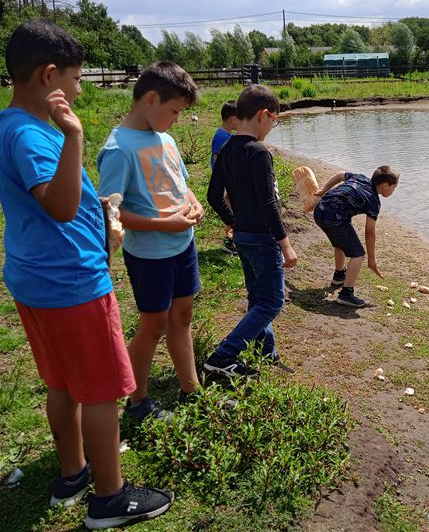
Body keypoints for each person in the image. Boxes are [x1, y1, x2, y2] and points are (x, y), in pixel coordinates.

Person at [0, 19, 173, 529]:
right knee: (100, 390)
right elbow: (60, 206)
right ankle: (110, 499)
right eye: (75, 79)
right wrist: (74, 135)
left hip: (37, 280)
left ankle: (73, 473)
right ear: (48, 76)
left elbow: (59, 200)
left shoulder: (11, 124)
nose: (78, 89)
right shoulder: (33, 135)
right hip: (70, 284)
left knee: (63, 382)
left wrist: (102, 210)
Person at [97, 61, 203, 421]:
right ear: (152, 99)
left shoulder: (165, 138)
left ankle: (191, 388)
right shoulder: (119, 148)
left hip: (182, 244)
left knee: (182, 316)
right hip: (150, 254)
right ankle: (137, 400)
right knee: (154, 324)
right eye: (174, 111)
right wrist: (163, 224)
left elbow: (180, 182)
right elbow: (110, 211)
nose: (176, 119)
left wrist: (193, 203)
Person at [205, 84, 296, 378]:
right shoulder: (258, 153)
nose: (272, 127)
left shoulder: (227, 148)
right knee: (272, 301)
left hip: (243, 236)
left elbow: (213, 195)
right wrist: (285, 243)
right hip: (262, 238)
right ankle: (223, 355)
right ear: (263, 114)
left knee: (258, 296)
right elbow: (268, 203)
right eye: (274, 121)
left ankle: (266, 350)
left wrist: (233, 221)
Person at [313, 166, 399, 307]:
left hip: (319, 210)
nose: (394, 191)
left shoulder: (361, 178)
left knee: (340, 242)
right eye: (394, 187)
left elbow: (340, 175)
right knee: (358, 254)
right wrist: (371, 259)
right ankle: (346, 294)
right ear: (385, 185)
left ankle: (339, 276)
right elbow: (369, 232)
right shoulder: (373, 201)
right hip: (335, 218)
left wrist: (324, 189)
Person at [210, 100, 239, 255]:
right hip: (225, 179)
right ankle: (230, 238)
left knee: (231, 204)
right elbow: (217, 158)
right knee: (229, 207)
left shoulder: (226, 135)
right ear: (233, 120)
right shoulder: (222, 136)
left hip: (228, 179)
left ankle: (233, 236)